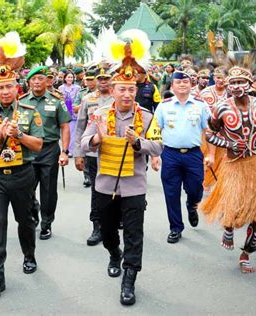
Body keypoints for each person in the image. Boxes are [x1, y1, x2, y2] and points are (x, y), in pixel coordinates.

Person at [81, 31, 163, 305]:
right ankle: (114, 254)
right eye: (122, 89)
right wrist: (97, 138)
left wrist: (138, 142)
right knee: (107, 232)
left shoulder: (148, 116)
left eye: (131, 89)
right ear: (113, 90)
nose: (127, 93)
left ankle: (129, 280)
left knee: (134, 234)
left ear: (136, 90)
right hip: (105, 184)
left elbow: (158, 146)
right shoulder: (99, 114)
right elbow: (83, 144)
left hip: (134, 186)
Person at [0, 32, 44, 301]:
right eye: (0, 87)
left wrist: (19, 136)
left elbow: (38, 145)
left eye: (9, 86)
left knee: (24, 221)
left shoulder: (28, 112)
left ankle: (29, 254)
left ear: (17, 87)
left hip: (23, 175)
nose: (5, 91)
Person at [201, 65, 256, 273]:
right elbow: (209, 135)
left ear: (250, 85)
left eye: (241, 82)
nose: (236, 86)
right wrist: (229, 144)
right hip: (233, 165)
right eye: (233, 83)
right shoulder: (221, 108)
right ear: (229, 86)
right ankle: (228, 228)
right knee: (232, 207)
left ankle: (246, 253)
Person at [154, 71, 211, 243]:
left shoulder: (200, 105)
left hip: (193, 154)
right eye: (178, 82)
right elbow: (155, 132)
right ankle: (176, 228)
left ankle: (192, 206)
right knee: (171, 193)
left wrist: (211, 155)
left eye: (186, 82)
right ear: (172, 86)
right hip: (170, 154)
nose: (182, 85)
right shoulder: (164, 106)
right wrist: (155, 155)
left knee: (195, 189)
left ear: (191, 85)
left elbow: (208, 132)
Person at [20, 66, 71, 240]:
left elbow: (65, 127)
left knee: (48, 191)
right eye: (33, 79)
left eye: (40, 79)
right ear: (28, 82)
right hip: (27, 150)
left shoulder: (56, 101)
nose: (36, 82)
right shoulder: (22, 102)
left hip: (49, 150)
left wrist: (64, 151)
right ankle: (34, 212)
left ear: (47, 81)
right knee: (26, 190)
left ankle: (46, 223)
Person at [74, 68, 114, 246]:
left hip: (115, 152)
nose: (104, 81)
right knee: (96, 190)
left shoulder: (119, 96)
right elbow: (80, 127)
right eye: (100, 78)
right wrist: (78, 153)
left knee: (116, 188)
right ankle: (97, 225)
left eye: (107, 78)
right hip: (93, 153)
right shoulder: (87, 99)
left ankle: (115, 220)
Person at [199, 67, 229, 191]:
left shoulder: (231, 92)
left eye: (222, 77)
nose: (220, 80)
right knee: (207, 157)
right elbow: (199, 111)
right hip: (207, 131)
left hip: (226, 131)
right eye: (217, 77)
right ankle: (207, 181)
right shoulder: (205, 93)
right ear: (214, 78)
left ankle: (220, 183)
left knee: (223, 159)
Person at [59, 71, 81, 155]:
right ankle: (65, 148)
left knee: (72, 131)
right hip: (63, 111)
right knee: (64, 130)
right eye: (68, 77)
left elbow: (78, 99)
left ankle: (70, 151)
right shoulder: (61, 88)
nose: (70, 79)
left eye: (71, 77)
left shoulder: (77, 88)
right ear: (65, 78)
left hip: (73, 112)